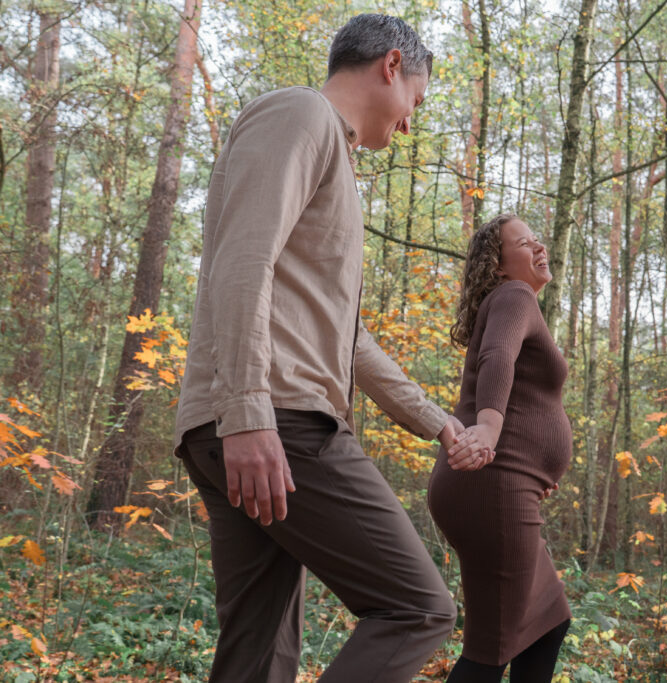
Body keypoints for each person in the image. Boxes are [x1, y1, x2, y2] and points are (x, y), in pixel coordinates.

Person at [173, 14, 492, 682]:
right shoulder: (300, 114)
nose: (410, 123)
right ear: (390, 65)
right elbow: (243, 262)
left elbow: (350, 339)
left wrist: (438, 423)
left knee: (258, 654)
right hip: (278, 418)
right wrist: (249, 411)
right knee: (418, 608)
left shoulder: (333, 156)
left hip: (253, 420)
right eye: (415, 100)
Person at [428, 214, 573, 682]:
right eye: (524, 243)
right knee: (491, 650)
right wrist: (489, 429)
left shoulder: (515, 302)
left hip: (505, 483)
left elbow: (526, 395)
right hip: (492, 481)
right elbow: (498, 357)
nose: (539, 247)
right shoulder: (514, 294)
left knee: (547, 625)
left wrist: (537, 467)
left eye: (538, 239)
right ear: (498, 265)